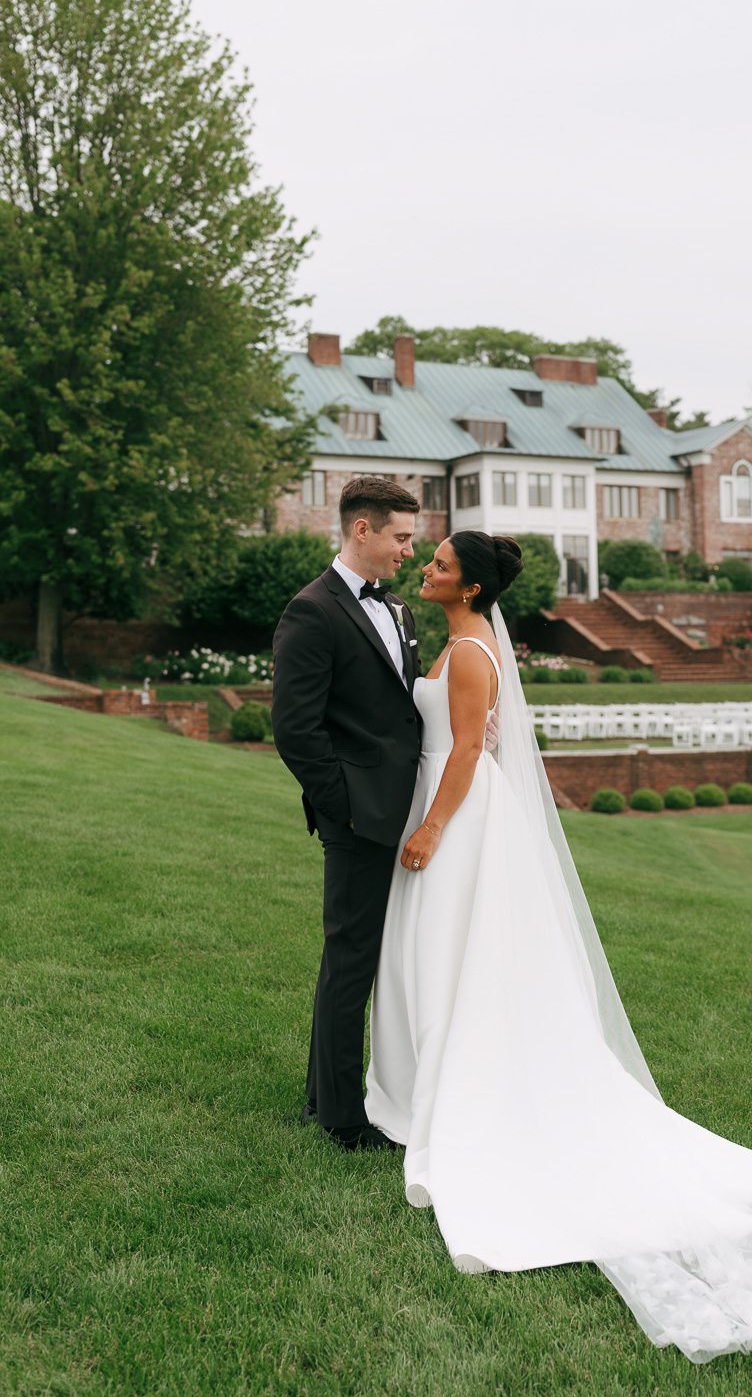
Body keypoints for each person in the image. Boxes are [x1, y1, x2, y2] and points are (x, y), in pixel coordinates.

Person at [364, 529, 752, 1363]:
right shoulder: (458, 639)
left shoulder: (470, 656)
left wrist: (433, 825)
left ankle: (446, 1090)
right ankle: (423, 1081)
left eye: (437, 565)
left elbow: (469, 749)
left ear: (469, 589)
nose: (424, 570)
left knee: (451, 956)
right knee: (441, 957)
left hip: (460, 821)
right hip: (453, 812)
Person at [271, 475, 423, 1150]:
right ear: (362, 530)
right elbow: (295, 731)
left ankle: (324, 1093)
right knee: (351, 959)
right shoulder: (312, 611)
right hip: (360, 819)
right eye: (401, 537)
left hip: (405, 811)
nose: (409, 552)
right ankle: (341, 1117)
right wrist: (347, 810)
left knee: (376, 959)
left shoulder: (397, 610)